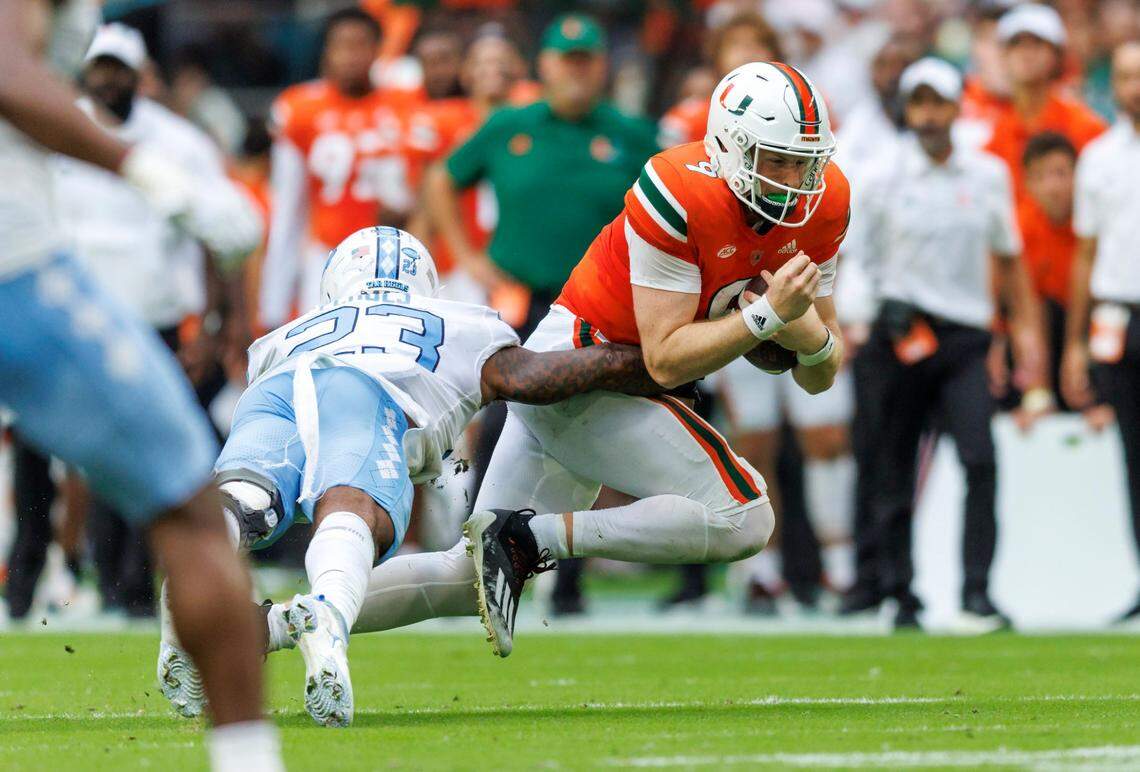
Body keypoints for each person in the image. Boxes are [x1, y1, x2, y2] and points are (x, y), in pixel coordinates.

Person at [254, 60, 849, 662]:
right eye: (776, 160)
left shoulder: (825, 204)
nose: (795, 181)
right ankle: (530, 539)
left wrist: (812, 340)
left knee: (466, 579)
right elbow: (667, 359)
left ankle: (266, 628)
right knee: (743, 517)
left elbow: (821, 375)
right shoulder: (678, 189)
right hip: (577, 371)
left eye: (807, 161)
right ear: (728, 147)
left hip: (605, 383)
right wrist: (766, 319)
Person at [166, 226, 664, 725]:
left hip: (271, 391)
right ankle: (328, 618)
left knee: (244, 501)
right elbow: (527, 379)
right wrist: (632, 364)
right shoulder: (458, 319)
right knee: (353, 508)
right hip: (363, 390)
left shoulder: (287, 332)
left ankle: (180, 617)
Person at [0, 2, 280, 770]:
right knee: (193, 510)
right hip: (15, 265)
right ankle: (250, 760)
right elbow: (5, 71)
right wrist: (146, 172)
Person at [422, 13, 659, 613]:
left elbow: (674, 206)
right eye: (565, 60)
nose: (576, 72)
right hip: (521, 297)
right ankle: (477, 558)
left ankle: (570, 581)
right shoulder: (510, 126)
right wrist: (470, 256)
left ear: (601, 67)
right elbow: (442, 180)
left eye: (586, 60)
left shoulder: (630, 134)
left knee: (592, 427)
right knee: (501, 425)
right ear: (546, 66)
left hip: (596, 303)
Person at [55, 23, 263, 619]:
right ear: (86, 71)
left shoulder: (180, 143)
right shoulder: (60, 129)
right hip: (83, 321)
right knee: (95, 456)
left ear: (141, 74)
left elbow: (224, 233)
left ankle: (141, 582)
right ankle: (98, 578)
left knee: (161, 448)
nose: (109, 80)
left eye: (120, 69)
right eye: (101, 67)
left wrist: (225, 321)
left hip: (163, 323)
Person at [857, 58, 1046, 632]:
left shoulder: (985, 173)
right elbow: (854, 259)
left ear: (958, 106)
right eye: (919, 103)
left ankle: (977, 591)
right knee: (894, 466)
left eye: (938, 102)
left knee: (980, 459)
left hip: (964, 335)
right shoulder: (880, 174)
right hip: (897, 331)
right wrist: (859, 319)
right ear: (906, 109)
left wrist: (1027, 333)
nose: (929, 115)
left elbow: (1009, 259)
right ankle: (899, 592)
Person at [259, 7, 424, 330]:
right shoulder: (301, 108)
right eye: (341, 45)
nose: (350, 55)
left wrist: (407, 207)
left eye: (359, 44)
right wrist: (272, 310)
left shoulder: (407, 103)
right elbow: (288, 213)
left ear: (378, 49)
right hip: (328, 257)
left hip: (395, 259)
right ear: (327, 52)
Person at [1061, 41, 1140, 624]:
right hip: (1119, 315)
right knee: (1133, 456)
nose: (1133, 87)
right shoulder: (1099, 157)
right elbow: (1084, 254)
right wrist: (1074, 343)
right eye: (1125, 77)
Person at [982, 4, 1106, 197]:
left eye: (1037, 43)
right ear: (1003, 56)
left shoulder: (1086, 127)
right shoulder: (997, 136)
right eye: (1016, 44)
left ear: (1056, 55)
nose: (1026, 53)